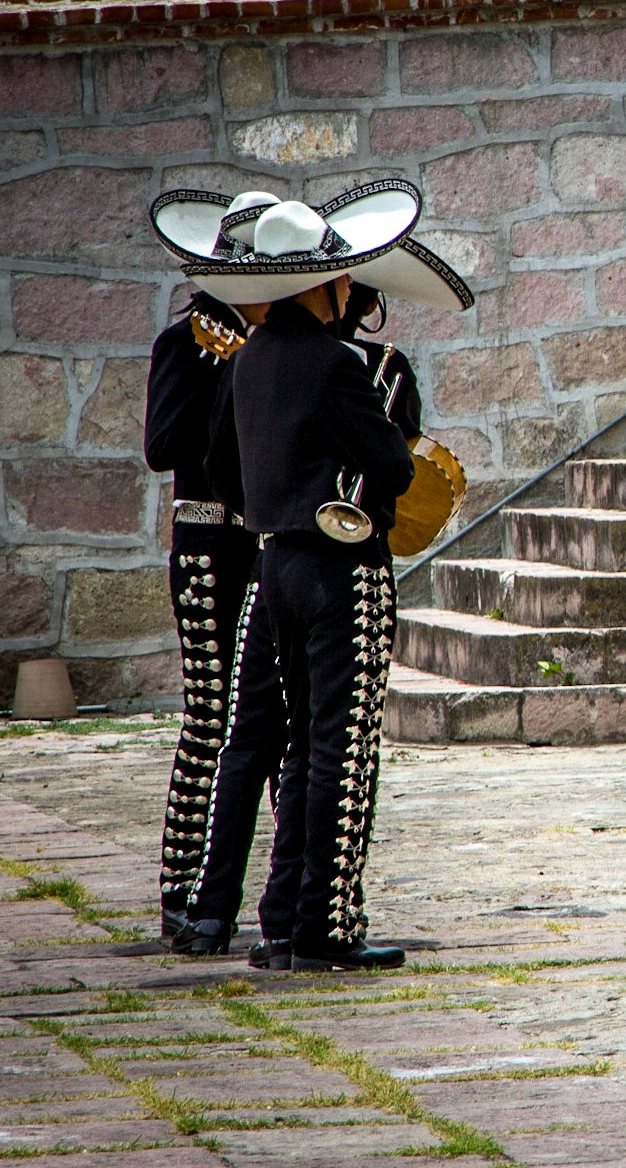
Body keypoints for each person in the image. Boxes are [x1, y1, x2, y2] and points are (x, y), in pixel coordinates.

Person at [186, 188, 421, 972]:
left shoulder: (247, 363)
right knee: (340, 748)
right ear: (317, 286)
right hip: (337, 570)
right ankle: (327, 927)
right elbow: (393, 464)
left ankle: (282, 921)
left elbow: (220, 468)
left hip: (271, 564)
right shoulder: (334, 365)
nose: (352, 289)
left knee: (291, 748)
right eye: (342, 277)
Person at [144, 189, 280, 942]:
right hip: (205, 548)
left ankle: (291, 886)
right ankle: (181, 885)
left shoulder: (277, 343)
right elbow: (163, 447)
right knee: (208, 717)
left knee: (280, 723)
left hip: (265, 546)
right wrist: (224, 380)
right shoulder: (182, 345)